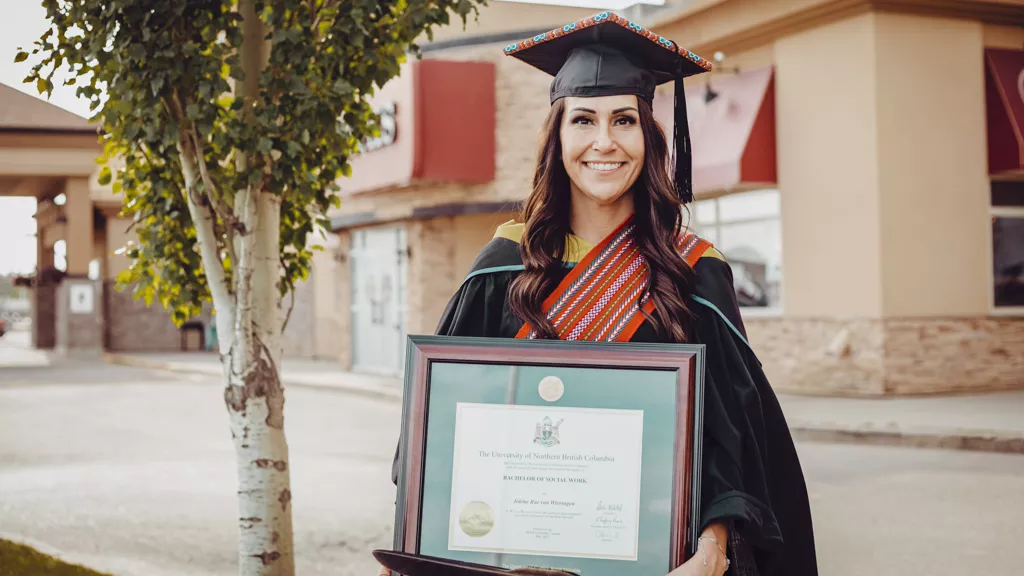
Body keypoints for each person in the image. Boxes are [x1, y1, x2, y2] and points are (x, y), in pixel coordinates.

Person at [380, 12, 817, 576]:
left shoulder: (696, 273)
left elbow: (729, 442)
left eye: (624, 121)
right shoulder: (502, 267)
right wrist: (415, 534)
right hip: (516, 560)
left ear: (649, 135)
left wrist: (713, 549)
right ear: (557, 137)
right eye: (583, 120)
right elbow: (442, 427)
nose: (604, 142)